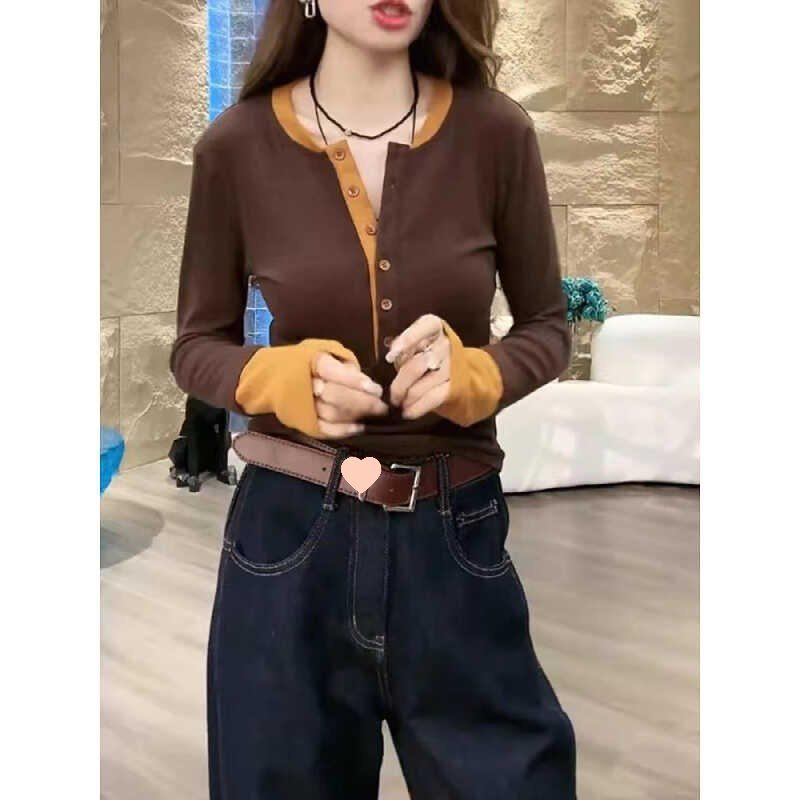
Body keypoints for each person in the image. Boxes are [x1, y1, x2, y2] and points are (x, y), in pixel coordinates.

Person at [169, 0, 576, 796]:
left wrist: (479, 376)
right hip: (286, 543)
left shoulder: (496, 133)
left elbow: (547, 328)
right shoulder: (235, 147)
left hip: (454, 537)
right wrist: (275, 379)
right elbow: (195, 347)